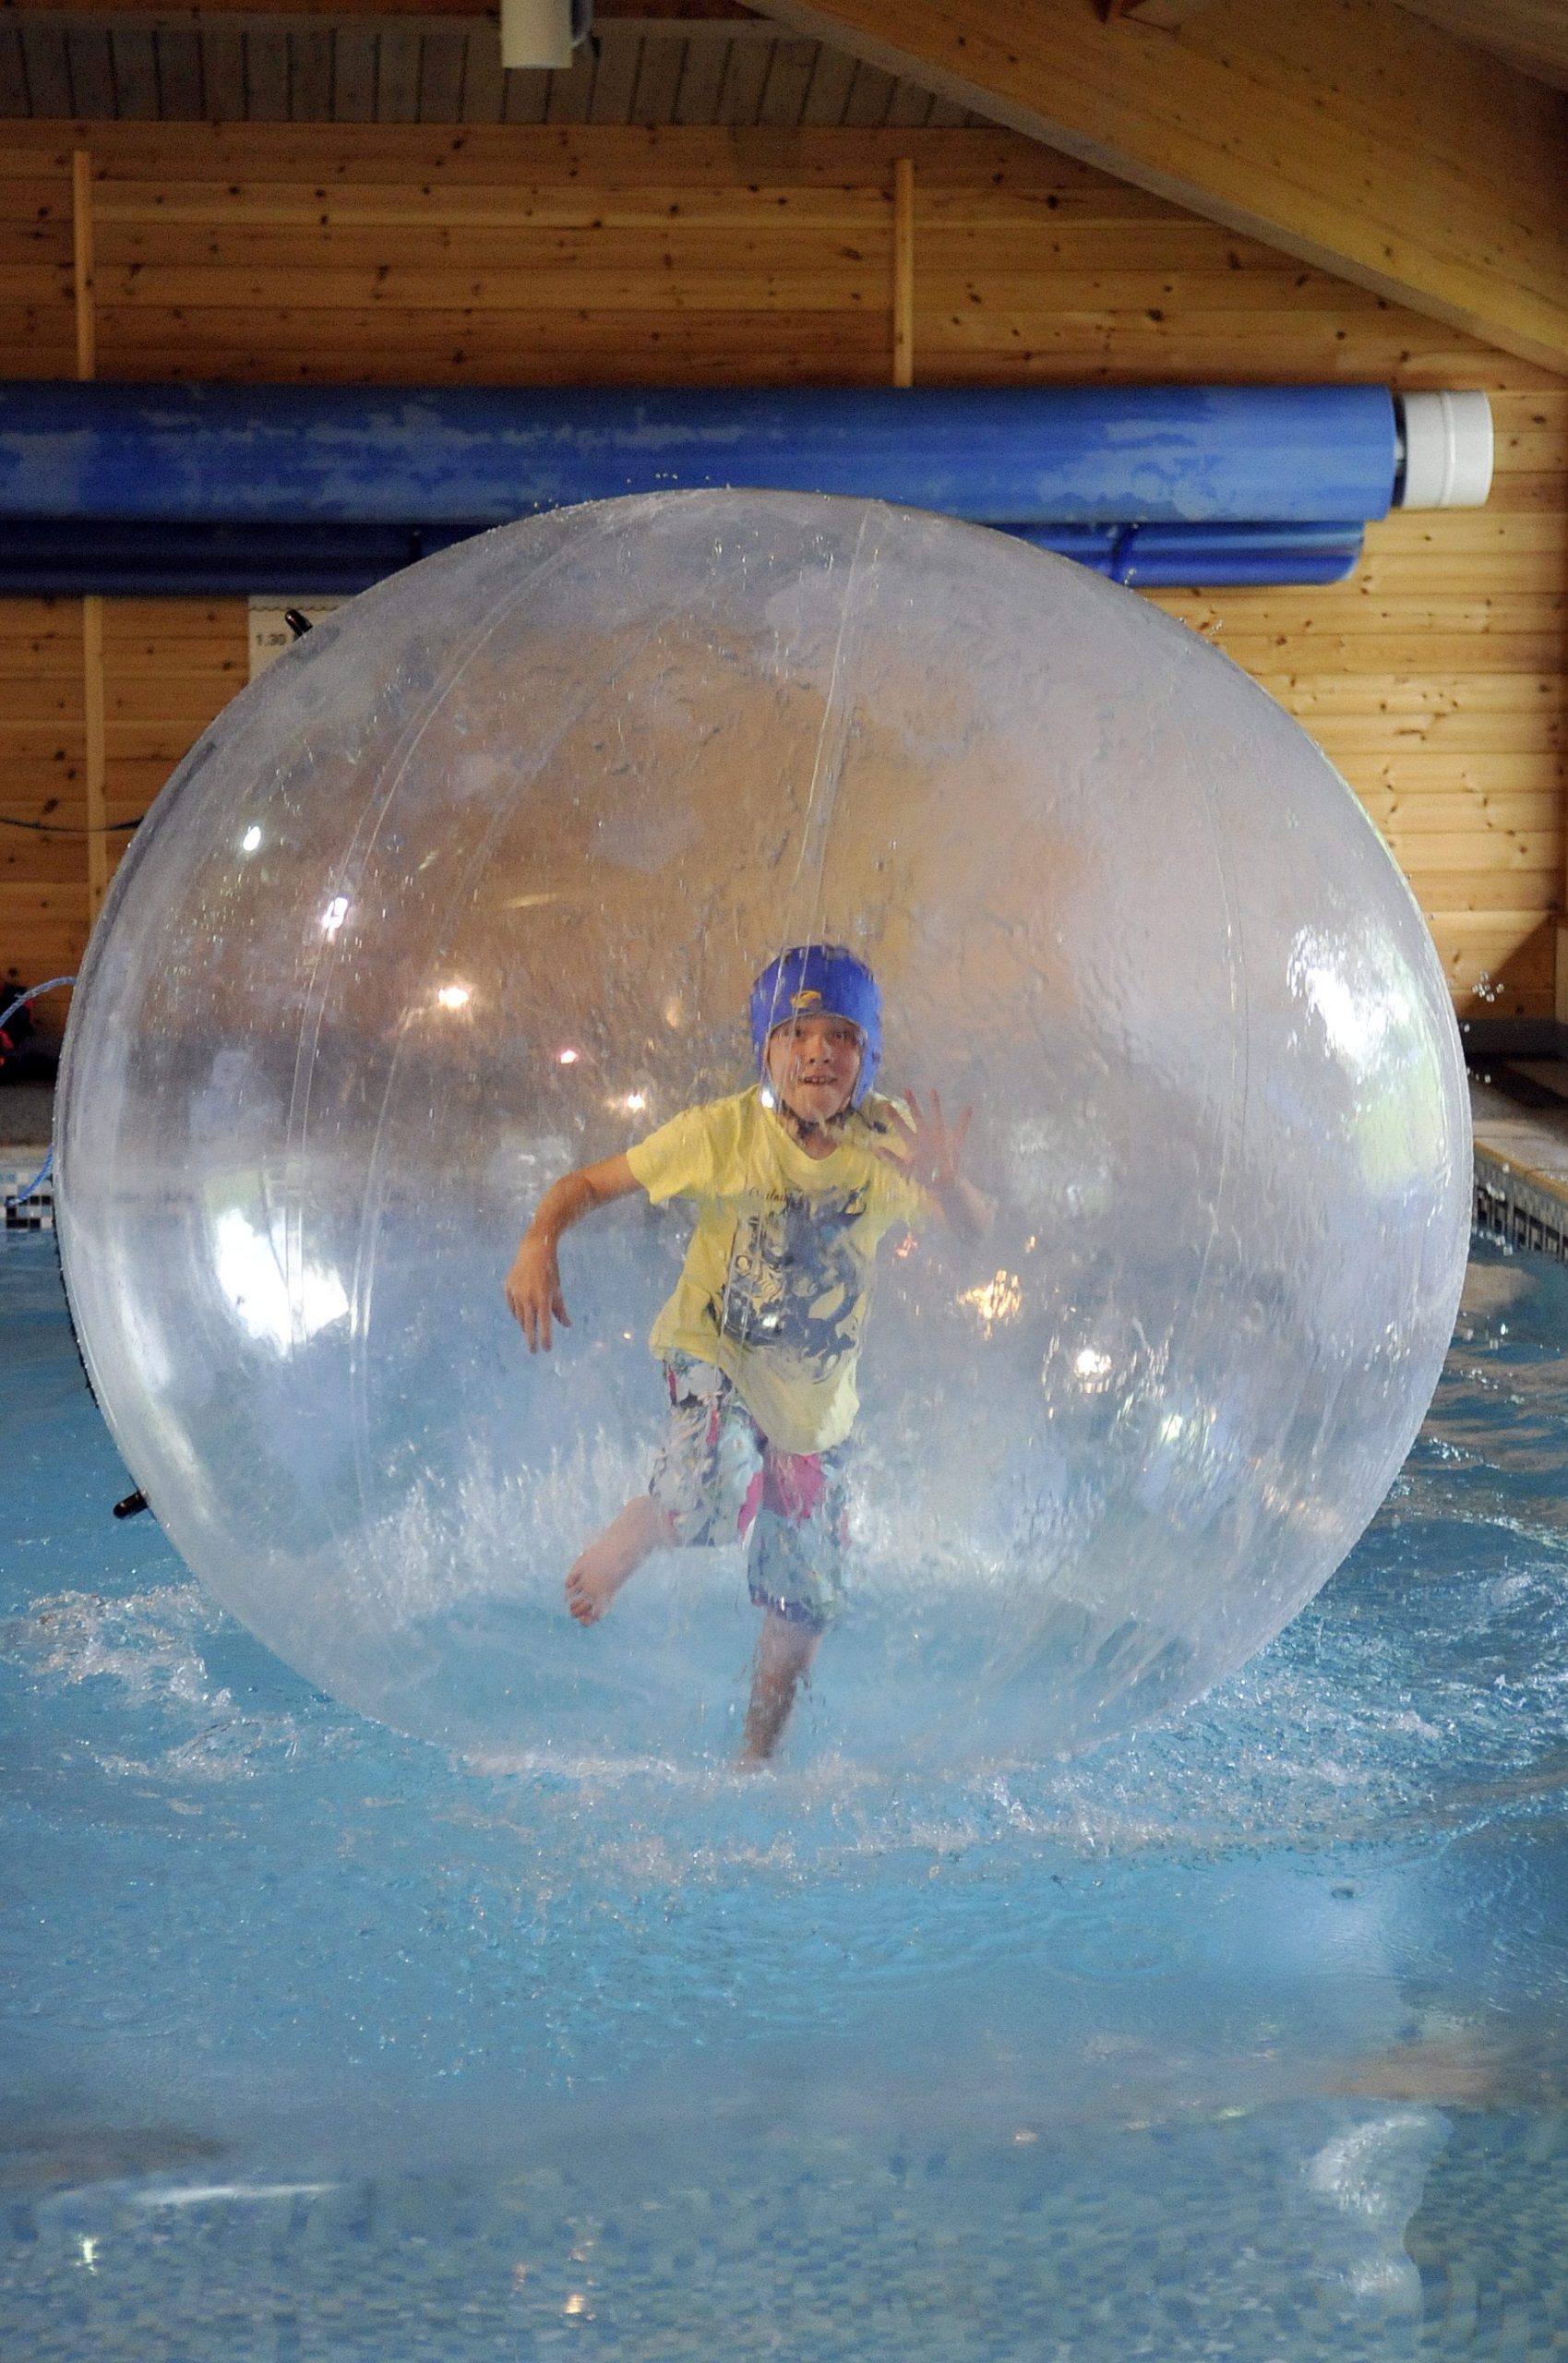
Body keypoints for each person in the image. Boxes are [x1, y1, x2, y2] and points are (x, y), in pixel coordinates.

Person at [504, 945, 987, 1764]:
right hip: (715, 1351)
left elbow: (976, 1239)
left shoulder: (886, 1148)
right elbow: (583, 1185)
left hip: (813, 1406)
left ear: (867, 1055)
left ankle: (754, 1758)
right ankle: (645, 1523)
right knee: (718, 1484)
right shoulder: (723, 1133)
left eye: (841, 1035)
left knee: (804, 1608)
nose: (817, 1052)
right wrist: (538, 1240)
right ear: (764, 1048)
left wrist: (946, 1186)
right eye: (795, 1032)